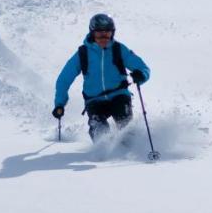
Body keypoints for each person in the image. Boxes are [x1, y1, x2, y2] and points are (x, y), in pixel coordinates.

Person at [52, 12, 151, 141]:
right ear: (92, 33)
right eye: (99, 33)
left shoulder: (118, 49)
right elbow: (64, 79)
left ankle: (130, 150)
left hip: (119, 95)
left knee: (126, 127)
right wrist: (59, 103)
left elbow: (143, 67)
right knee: (99, 130)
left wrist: (141, 74)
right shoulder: (83, 53)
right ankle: (103, 155)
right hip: (94, 100)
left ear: (112, 33)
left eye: (107, 32)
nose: (104, 37)